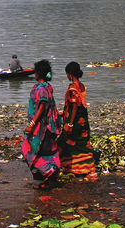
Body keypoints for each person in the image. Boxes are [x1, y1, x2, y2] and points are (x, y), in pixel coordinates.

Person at [22, 59, 61, 190]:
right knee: (45, 152)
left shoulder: (42, 88)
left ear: (38, 73)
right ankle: (41, 180)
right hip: (48, 126)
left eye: (35, 72)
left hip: (41, 127)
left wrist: (32, 124)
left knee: (28, 149)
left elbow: (42, 107)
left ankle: (48, 172)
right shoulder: (47, 86)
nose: (34, 74)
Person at [57, 61, 98, 181]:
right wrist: (63, 112)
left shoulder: (73, 88)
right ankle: (88, 169)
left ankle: (65, 166)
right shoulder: (82, 86)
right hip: (82, 121)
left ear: (70, 74)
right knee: (82, 144)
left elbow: (75, 106)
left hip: (74, 122)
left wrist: (69, 123)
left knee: (64, 141)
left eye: (67, 74)